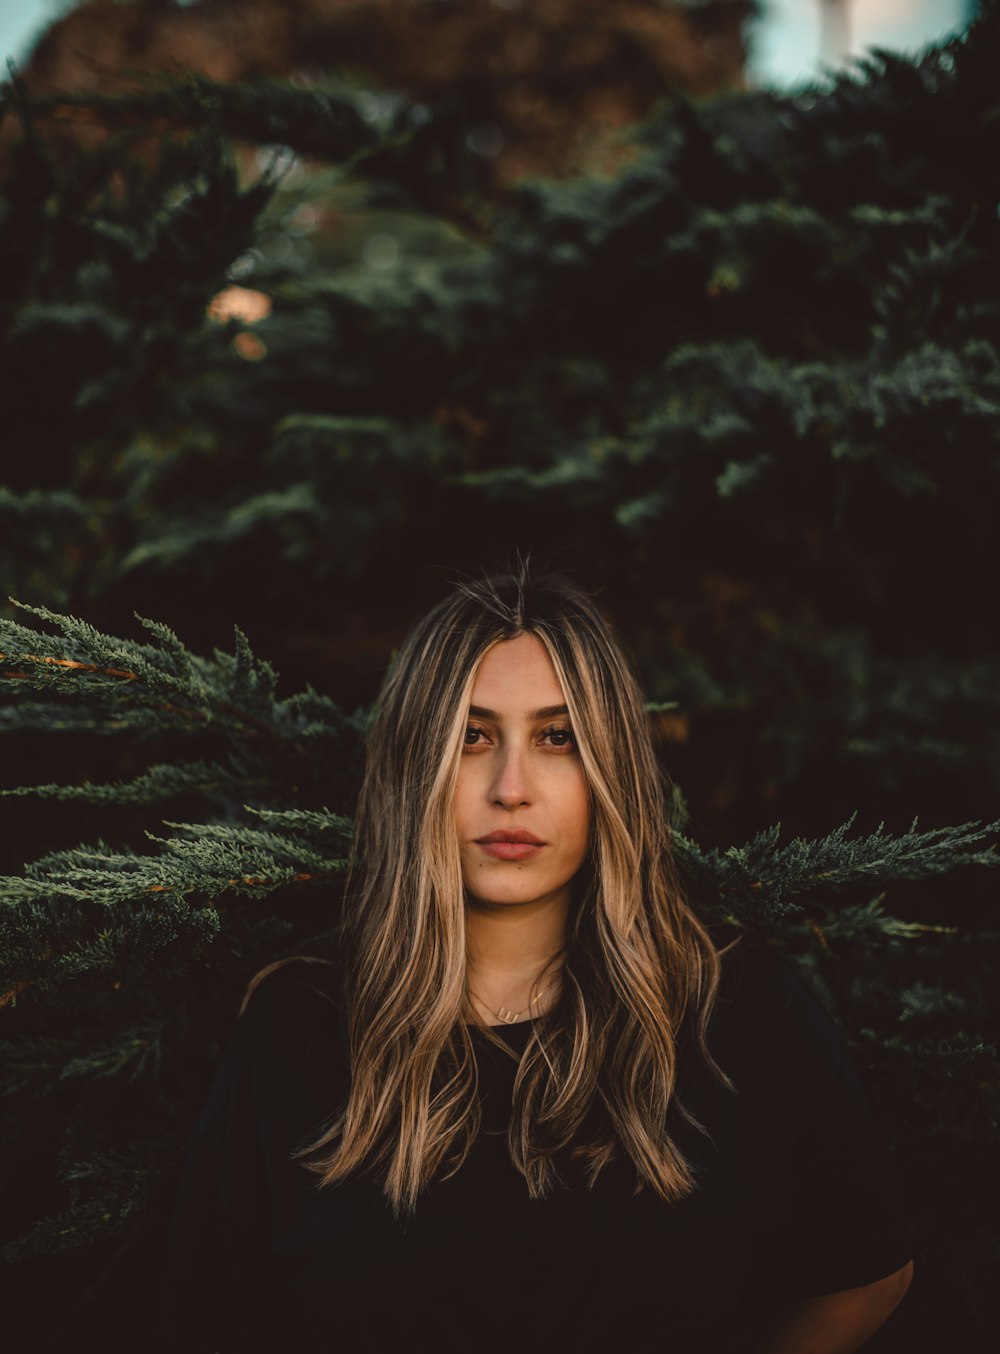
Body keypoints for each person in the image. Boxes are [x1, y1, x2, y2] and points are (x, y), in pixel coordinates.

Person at [155, 562, 915, 1353]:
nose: (510, 787)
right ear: (417, 765)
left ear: (608, 770)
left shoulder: (738, 1007)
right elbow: (206, 1317)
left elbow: (868, 1272)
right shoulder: (299, 1022)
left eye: (557, 738)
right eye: (473, 736)